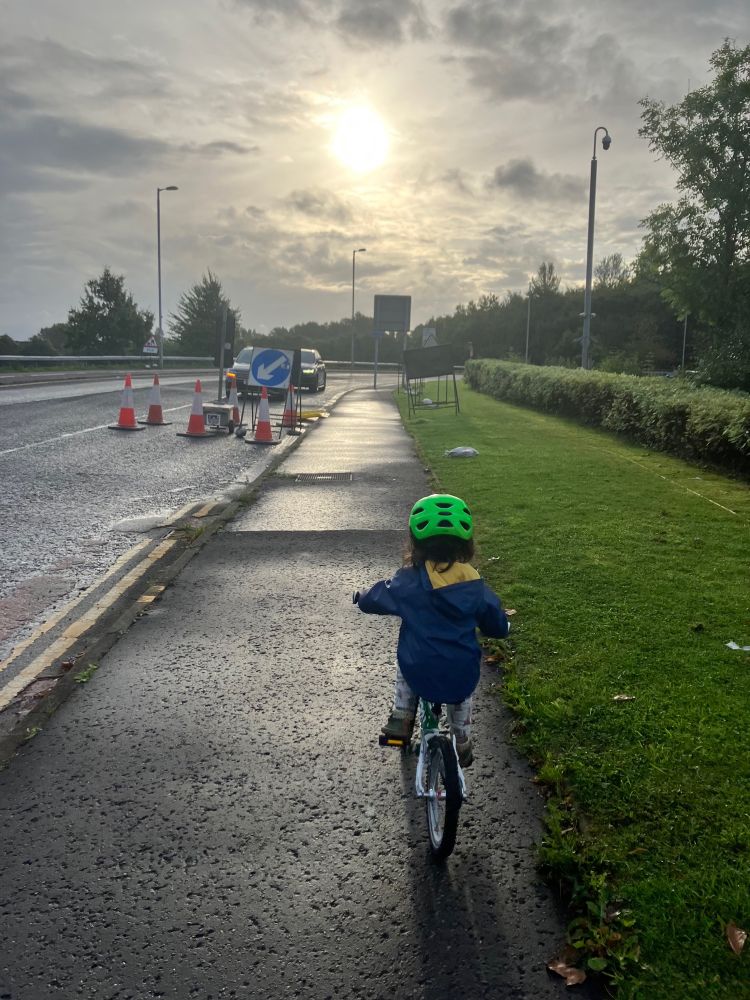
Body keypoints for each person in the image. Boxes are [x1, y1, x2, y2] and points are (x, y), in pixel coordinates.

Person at [353, 494, 509, 767]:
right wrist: (503, 627)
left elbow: (378, 597)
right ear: (466, 545)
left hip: (420, 667)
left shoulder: (408, 581)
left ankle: (402, 717)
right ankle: (462, 740)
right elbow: (495, 622)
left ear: (415, 544)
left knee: (406, 669)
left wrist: (362, 596)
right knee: (461, 700)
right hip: (460, 671)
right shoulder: (475, 585)